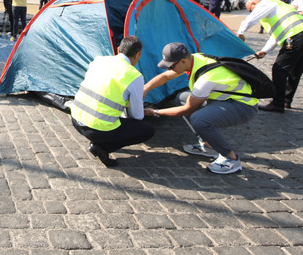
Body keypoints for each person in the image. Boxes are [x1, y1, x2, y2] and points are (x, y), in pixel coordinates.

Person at [142, 42, 259, 174]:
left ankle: (231, 159)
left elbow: (188, 109)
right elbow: (165, 76)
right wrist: (145, 88)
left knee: (199, 119)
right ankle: (209, 145)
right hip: (224, 100)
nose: (170, 70)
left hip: (243, 107)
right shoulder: (195, 58)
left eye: (171, 66)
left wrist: (155, 112)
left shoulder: (206, 80)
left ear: (182, 61)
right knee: (181, 97)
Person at [70, 36, 154, 167]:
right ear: (138, 54)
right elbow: (137, 116)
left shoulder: (98, 61)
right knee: (147, 130)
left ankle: (100, 142)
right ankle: (103, 147)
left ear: (118, 49)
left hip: (76, 119)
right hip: (96, 129)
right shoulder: (135, 76)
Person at [237, 0, 303, 112]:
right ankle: (286, 101)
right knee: (295, 71)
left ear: (253, 3)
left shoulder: (265, 3)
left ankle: (278, 103)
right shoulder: (279, 6)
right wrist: (265, 50)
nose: (252, 11)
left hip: (295, 36)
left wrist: (240, 33)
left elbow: (250, 19)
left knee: (279, 69)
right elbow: (276, 35)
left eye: (250, 9)